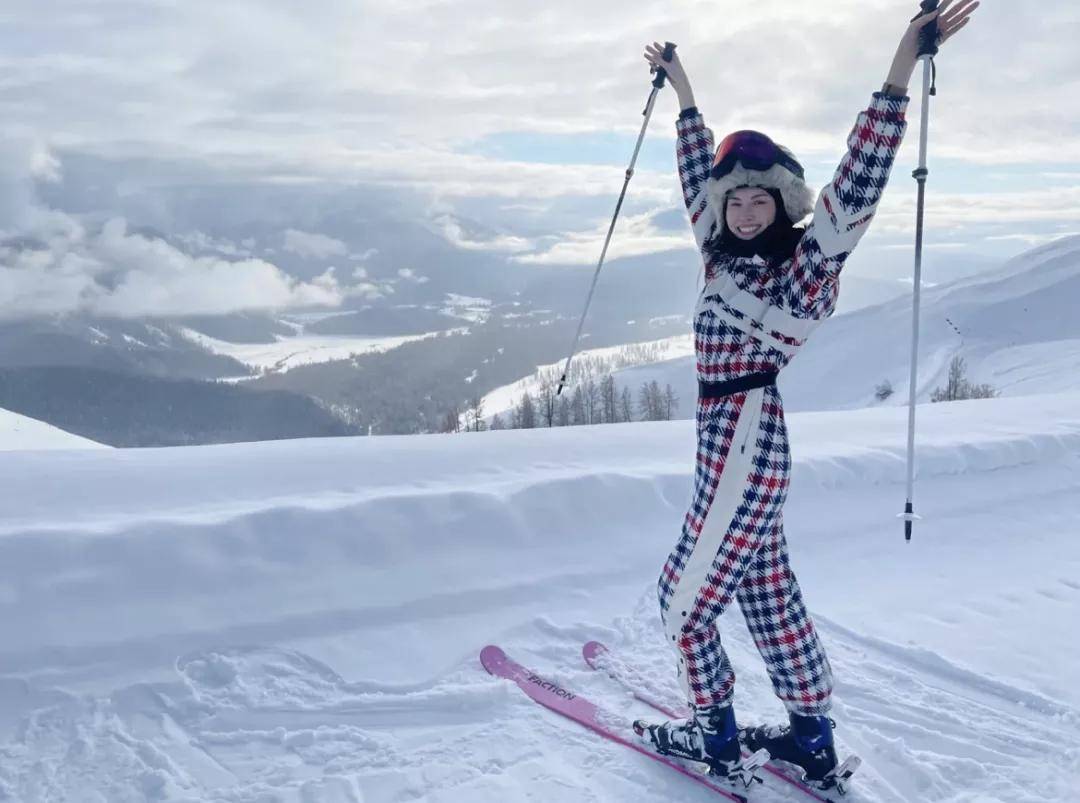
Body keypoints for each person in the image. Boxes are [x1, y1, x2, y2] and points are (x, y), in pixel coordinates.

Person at [636, 0, 980, 788]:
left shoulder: (802, 271)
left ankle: (715, 733)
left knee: (681, 604)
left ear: (783, 203)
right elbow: (697, 168)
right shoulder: (715, 249)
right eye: (736, 199)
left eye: (762, 198)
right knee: (764, 591)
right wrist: (683, 88)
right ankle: (811, 738)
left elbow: (856, 186)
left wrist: (901, 65)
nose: (746, 208)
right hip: (732, 444)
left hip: (747, 438)